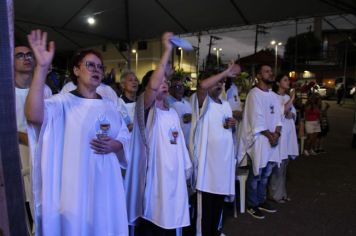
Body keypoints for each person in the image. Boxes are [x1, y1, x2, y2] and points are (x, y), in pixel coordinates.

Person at [25, 30, 129, 235]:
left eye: (100, 66)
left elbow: (125, 136)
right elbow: (33, 115)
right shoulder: (62, 102)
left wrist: (116, 145)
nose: (96, 69)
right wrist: (42, 68)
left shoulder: (110, 106)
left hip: (106, 186)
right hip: (74, 187)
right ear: (76, 70)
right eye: (90, 65)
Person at [124, 32, 192, 235]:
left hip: (174, 182)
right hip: (154, 184)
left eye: (165, 81)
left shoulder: (172, 112)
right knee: (154, 225)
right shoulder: (145, 109)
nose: (164, 83)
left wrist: (186, 168)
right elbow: (153, 87)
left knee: (171, 225)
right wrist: (167, 50)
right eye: (159, 80)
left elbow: (178, 145)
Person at [189, 63, 240, 236]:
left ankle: (215, 232)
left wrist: (231, 124)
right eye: (217, 81)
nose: (220, 85)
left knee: (218, 205)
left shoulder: (225, 104)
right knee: (205, 207)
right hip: (207, 166)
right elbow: (202, 86)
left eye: (222, 82)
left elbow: (226, 126)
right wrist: (226, 72)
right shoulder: (202, 101)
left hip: (223, 165)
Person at [237, 64, 282, 220]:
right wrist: (271, 136)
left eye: (271, 71)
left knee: (267, 173)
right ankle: (252, 204)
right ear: (258, 76)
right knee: (256, 173)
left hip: (272, 139)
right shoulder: (253, 94)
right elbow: (256, 119)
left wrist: (277, 132)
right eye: (266, 71)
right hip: (259, 140)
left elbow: (278, 117)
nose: (271, 73)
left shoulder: (273, 96)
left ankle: (261, 200)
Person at [14, 44, 53, 227]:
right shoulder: (5, 91)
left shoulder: (43, 89)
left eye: (30, 54)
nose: (27, 58)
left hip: (41, 152)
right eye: (20, 55)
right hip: (16, 155)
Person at [268, 74, 299, 203]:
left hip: (287, 136)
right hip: (278, 135)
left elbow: (292, 114)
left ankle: (282, 193)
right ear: (277, 83)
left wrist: (292, 113)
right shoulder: (272, 96)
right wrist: (292, 98)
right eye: (285, 80)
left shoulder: (286, 97)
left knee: (284, 166)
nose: (288, 82)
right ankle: (275, 195)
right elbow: (281, 110)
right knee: (276, 166)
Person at [167, 76, 192, 146]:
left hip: (188, 142)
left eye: (182, 86)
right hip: (175, 142)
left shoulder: (187, 102)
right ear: (170, 89)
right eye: (177, 86)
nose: (181, 89)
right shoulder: (166, 103)